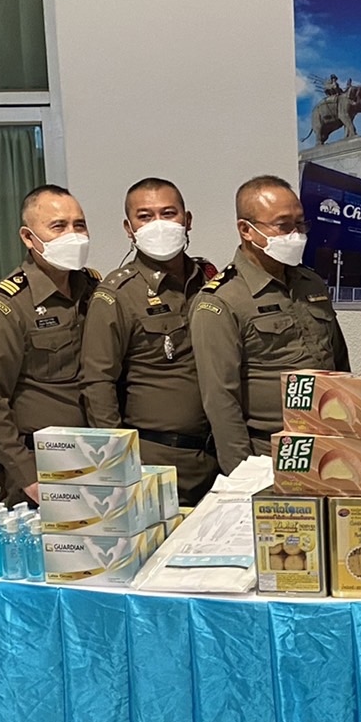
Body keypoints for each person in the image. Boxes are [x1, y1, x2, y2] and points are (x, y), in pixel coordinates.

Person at [192, 175, 349, 473]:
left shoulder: (311, 283)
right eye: (283, 226)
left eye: (300, 224)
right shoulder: (222, 300)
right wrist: (243, 474)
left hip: (330, 442)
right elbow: (221, 402)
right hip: (268, 453)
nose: (296, 235)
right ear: (246, 230)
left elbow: (339, 362)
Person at [81, 178, 219, 504]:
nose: (159, 224)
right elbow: (98, 385)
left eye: (168, 213)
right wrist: (120, 465)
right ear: (129, 229)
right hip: (155, 462)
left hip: (217, 457)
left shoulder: (211, 281)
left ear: (187, 220)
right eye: (145, 216)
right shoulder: (116, 294)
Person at [0, 184, 99, 504]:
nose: (73, 235)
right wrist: (25, 474)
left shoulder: (94, 289)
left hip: (100, 455)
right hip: (42, 465)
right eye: (58, 226)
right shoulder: (6, 306)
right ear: (28, 237)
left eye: (79, 225)